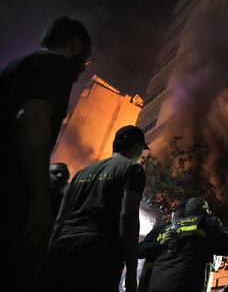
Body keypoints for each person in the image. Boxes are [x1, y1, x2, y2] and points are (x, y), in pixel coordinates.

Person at [1, 16, 92, 276]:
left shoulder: (17, 66)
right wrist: (40, 202)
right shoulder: (55, 65)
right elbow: (33, 118)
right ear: (75, 45)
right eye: (86, 58)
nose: (84, 68)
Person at [40, 125, 149, 292]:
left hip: (62, 247)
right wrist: (131, 271)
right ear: (138, 147)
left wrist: (50, 253)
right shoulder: (132, 169)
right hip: (99, 251)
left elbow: (60, 220)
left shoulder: (81, 174)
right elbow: (128, 216)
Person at [138, 197, 228, 292]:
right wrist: (215, 224)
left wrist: (159, 245)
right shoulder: (205, 222)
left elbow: (137, 251)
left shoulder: (161, 229)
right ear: (204, 210)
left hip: (153, 287)